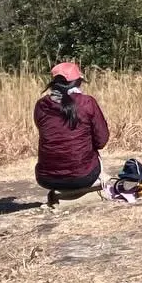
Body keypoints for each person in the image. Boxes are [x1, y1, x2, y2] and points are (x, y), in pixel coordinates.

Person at [34, 59, 110, 206]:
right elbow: (101, 140)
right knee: (93, 151)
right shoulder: (87, 102)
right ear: (77, 83)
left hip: (47, 178)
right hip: (83, 176)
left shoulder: (41, 105)